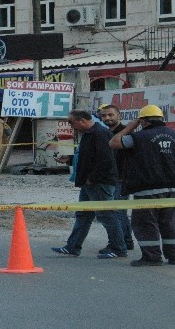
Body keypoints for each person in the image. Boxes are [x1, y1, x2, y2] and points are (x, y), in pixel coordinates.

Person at [110, 104, 175, 266]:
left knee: (145, 223)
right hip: (173, 187)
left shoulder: (138, 137)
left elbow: (114, 143)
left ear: (142, 121)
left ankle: (152, 257)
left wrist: (129, 127)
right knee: (169, 222)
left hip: (147, 187)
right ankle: (174, 256)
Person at [51, 109, 127, 259]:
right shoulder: (89, 134)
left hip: (99, 183)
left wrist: (92, 178)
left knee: (106, 215)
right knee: (83, 215)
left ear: (82, 121)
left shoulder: (99, 134)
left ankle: (119, 248)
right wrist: (71, 160)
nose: (72, 127)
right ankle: (73, 246)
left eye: (72, 123)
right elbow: (89, 157)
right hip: (90, 183)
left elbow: (106, 160)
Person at [98, 104, 134, 252]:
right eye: (104, 116)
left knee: (117, 211)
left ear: (119, 116)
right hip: (108, 178)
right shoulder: (104, 133)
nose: (107, 118)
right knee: (117, 211)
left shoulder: (125, 133)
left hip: (121, 178)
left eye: (110, 115)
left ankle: (121, 243)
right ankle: (125, 241)